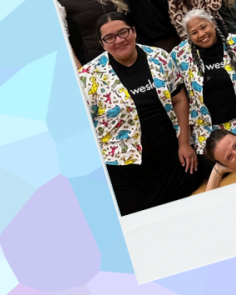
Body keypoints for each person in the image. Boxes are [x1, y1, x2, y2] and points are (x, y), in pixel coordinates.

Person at [79, 12, 211, 215]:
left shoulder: (159, 58)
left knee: (191, 191)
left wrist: (184, 143)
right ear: (102, 43)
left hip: (170, 156)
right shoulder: (88, 78)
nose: (119, 40)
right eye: (110, 37)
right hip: (126, 169)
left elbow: (179, 98)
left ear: (134, 32)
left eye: (123, 32)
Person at [170, 9, 236, 152]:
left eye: (203, 27)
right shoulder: (179, 56)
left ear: (213, 23)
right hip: (206, 132)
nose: (201, 34)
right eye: (194, 32)